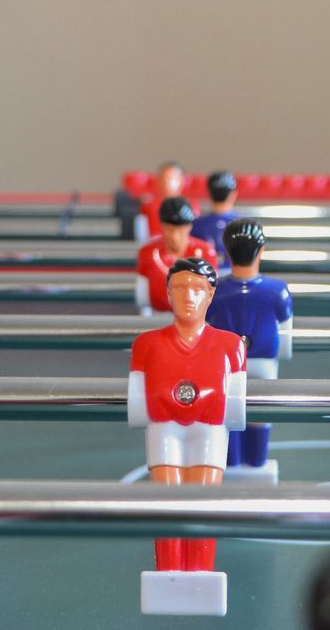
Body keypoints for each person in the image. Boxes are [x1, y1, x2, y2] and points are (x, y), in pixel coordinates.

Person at [128, 257, 246, 615]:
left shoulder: (230, 346)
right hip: (164, 428)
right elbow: (138, 402)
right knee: (166, 502)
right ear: (167, 293)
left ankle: (199, 577)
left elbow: (235, 405)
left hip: (209, 430)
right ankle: (168, 576)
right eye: (179, 288)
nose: (188, 296)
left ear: (210, 294)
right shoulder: (146, 344)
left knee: (203, 503)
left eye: (196, 288)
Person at [207, 218, 292, 476]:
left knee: (227, 413)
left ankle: (231, 463)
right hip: (264, 362)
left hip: (224, 364)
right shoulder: (277, 291)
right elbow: (285, 336)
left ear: (226, 249)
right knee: (261, 414)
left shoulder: (215, 291)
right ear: (261, 250)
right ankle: (256, 462)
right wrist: (282, 353)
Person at [135, 197, 218, 316]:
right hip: (158, 317)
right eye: (170, 229)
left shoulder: (206, 252)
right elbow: (143, 297)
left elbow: (212, 293)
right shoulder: (148, 253)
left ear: (189, 227)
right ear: (162, 226)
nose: (175, 236)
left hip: (197, 317)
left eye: (180, 230)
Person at [134, 161, 199, 242]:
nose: (166, 182)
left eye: (170, 178)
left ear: (181, 180)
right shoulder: (148, 205)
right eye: (162, 178)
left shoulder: (190, 205)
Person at [191, 171, 238, 271]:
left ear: (209, 192)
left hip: (203, 274)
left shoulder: (195, 225)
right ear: (233, 194)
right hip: (235, 275)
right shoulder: (243, 224)